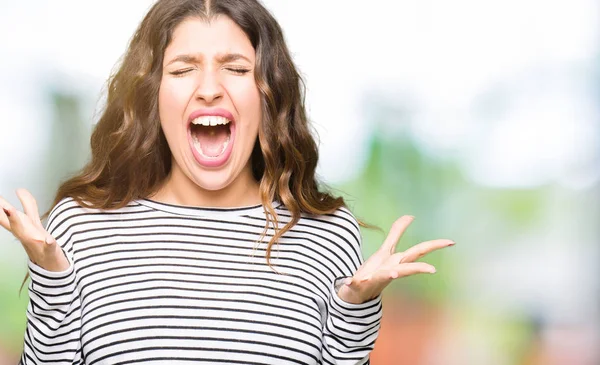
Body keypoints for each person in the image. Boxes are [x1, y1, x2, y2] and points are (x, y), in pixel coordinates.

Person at [0, 0, 454, 364]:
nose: (210, 87)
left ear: (267, 93)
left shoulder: (326, 235)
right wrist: (54, 281)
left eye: (236, 69)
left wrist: (356, 306)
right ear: (153, 95)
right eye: (182, 69)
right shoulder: (82, 227)